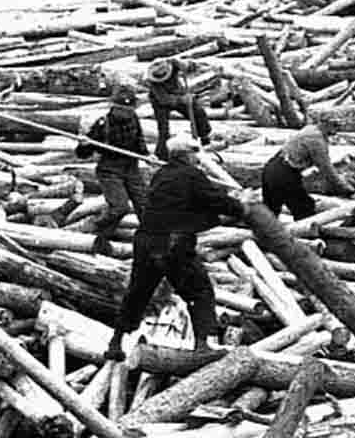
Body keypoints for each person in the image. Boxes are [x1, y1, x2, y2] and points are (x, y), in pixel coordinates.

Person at [105, 136, 244, 362]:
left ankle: (116, 342)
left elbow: (182, 204)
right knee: (199, 290)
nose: (197, 159)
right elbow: (215, 199)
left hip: (145, 240)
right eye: (194, 155)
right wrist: (241, 206)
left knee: (138, 293)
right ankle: (202, 345)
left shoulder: (161, 175)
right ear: (187, 155)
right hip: (173, 243)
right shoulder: (192, 175)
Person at [76, 84, 148, 256]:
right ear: (113, 107)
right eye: (122, 109)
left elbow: (139, 141)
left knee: (145, 207)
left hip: (131, 168)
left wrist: (146, 155)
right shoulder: (103, 124)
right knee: (119, 207)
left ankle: (151, 240)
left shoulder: (134, 119)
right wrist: (84, 144)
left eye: (128, 109)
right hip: (110, 170)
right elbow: (82, 154)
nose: (126, 113)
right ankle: (97, 232)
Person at [263, 120, 355, 220]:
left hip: (271, 168)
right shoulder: (317, 141)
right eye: (336, 126)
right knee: (305, 209)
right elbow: (327, 171)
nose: (337, 130)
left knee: (270, 211)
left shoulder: (310, 129)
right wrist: (349, 191)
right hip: (283, 173)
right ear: (326, 124)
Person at [147, 58, 212, 161]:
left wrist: (187, 65)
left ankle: (205, 139)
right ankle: (161, 155)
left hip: (178, 92)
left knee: (198, 111)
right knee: (163, 129)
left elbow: (192, 66)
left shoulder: (173, 63)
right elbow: (165, 100)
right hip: (160, 102)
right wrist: (182, 99)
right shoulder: (153, 82)